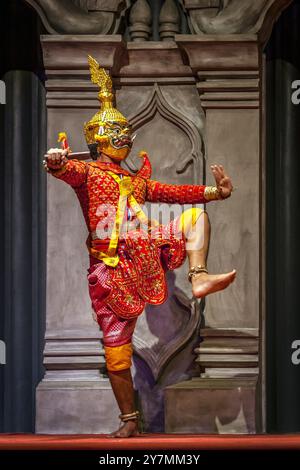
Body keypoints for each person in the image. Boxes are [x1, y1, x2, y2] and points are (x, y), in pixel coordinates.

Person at [43, 56, 236, 438]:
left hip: (145, 248)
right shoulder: (88, 172)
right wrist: (55, 162)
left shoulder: (132, 179)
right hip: (111, 271)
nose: (127, 140)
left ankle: (198, 278)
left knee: (196, 218)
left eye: (128, 134)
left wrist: (216, 192)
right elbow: (65, 170)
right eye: (119, 135)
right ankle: (129, 420)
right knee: (117, 354)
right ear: (100, 140)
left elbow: (173, 192)